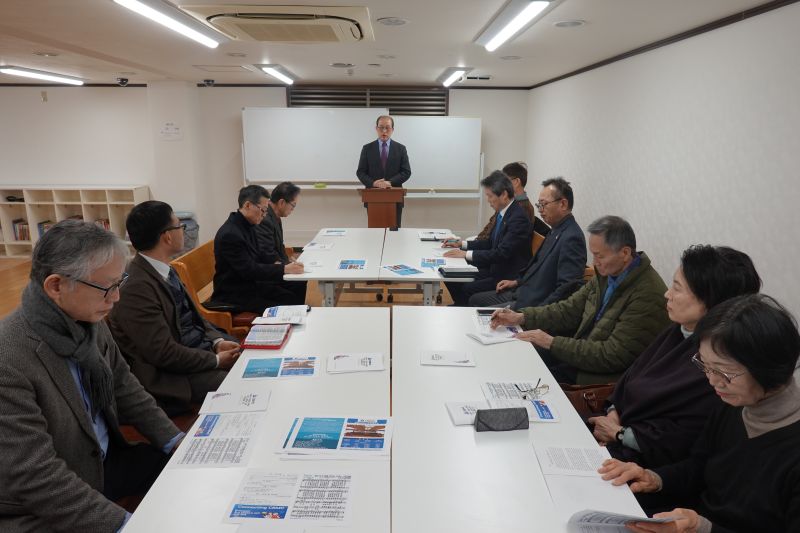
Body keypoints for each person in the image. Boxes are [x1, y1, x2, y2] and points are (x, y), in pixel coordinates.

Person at [0, 219, 183, 532]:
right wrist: (125, 525)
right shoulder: (9, 358)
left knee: (191, 475)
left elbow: (124, 385)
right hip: (47, 498)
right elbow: (37, 476)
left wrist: (175, 440)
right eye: (107, 287)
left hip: (103, 461)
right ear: (56, 286)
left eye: (119, 283)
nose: (116, 297)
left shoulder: (88, 318)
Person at [598, 294, 800, 533]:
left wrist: (702, 527)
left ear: (769, 369)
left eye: (724, 372)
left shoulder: (790, 448)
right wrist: (654, 478)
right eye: (705, 365)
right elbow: (699, 467)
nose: (712, 381)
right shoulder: (734, 404)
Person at [588, 245, 761, 469]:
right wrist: (613, 414)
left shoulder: (716, 365)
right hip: (613, 430)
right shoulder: (678, 331)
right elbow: (630, 379)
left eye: (677, 288)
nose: (667, 294)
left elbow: (681, 439)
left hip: (645, 464)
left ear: (711, 303)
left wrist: (620, 434)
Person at [490, 215, 669, 384]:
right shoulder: (607, 274)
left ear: (625, 253)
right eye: (593, 255)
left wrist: (552, 342)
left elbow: (612, 355)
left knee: (525, 378)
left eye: (600, 256)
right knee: (516, 354)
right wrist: (522, 317)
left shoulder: (647, 294)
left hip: (602, 378)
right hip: (581, 356)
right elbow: (569, 309)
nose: (595, 262)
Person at [108, 200, 241, 416]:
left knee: (251, 359)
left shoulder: (165, 269)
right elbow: (164, 353)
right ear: (167, 237)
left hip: (196, 354)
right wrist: (216, 360)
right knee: (241, 384)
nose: (183, 231)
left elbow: (196, 318)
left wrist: (217, 342)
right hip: (172, 377)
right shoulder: (136, 289)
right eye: (180, 226)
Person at [469, 176, 586, 308]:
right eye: (539, 205)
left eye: (544, 204)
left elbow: (565, 291)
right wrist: (516, 282)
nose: (540, 210)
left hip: (533, 304)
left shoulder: (572, 238)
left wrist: (529, 314)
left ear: (563, 204)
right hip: (522, 290)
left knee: (478, 308)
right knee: (475, 299)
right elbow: (536, 268)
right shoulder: (555, 230)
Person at [443, 170, 533, 306]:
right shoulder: (504, 212)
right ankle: (460, 306)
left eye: (490, 196)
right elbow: (490, 242)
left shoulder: (518, 218)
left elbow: (501, 253)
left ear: (504, 194)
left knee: (466, 287)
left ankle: (461, 309)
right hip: (494, 268)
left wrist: (466, 254)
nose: (488, 200)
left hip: (506, 275)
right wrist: (463, 244)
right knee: (449, 274)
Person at [211, 185, 305, 314]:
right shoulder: (230, 234)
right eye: (263, 210)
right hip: (234, 293)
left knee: (293, 292)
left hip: (250, 285)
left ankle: (296, 319)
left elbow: (261, 255)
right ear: (248, 205)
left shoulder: (248, 224)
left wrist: (285, 264)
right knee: (288, 302)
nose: (264, 215)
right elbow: (249, 270)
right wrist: (284, 269)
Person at [254, 181, 308, 303]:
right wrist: (286, 266)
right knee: (297, 282)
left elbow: (278, 246)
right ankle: (294, 310)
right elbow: (267, 254)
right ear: (282, 202)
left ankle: (297, 309)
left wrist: (288, 261)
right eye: (293, 205)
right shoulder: (265, 219)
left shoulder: (275, 217)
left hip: (272, 266)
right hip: (265, 275)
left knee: (300, 278)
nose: (293, 209)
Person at [356, 115, 411, 226]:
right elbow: (361, 172)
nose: (384, 131)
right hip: (373, 198)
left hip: (395, 198)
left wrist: (390, 182)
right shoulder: (367, 148)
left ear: (392, 129)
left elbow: (406, 171)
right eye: (381, 127)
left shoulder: (401, 149)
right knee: (374, 233)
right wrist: (373, 183)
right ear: (376, 129)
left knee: (394, 233)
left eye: (387, 127)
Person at [476, 162, 550, 240]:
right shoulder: (507, 202)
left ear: (516, 182)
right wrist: (476, 241)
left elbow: (504, 240)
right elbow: (491, 226)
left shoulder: (524, 209)